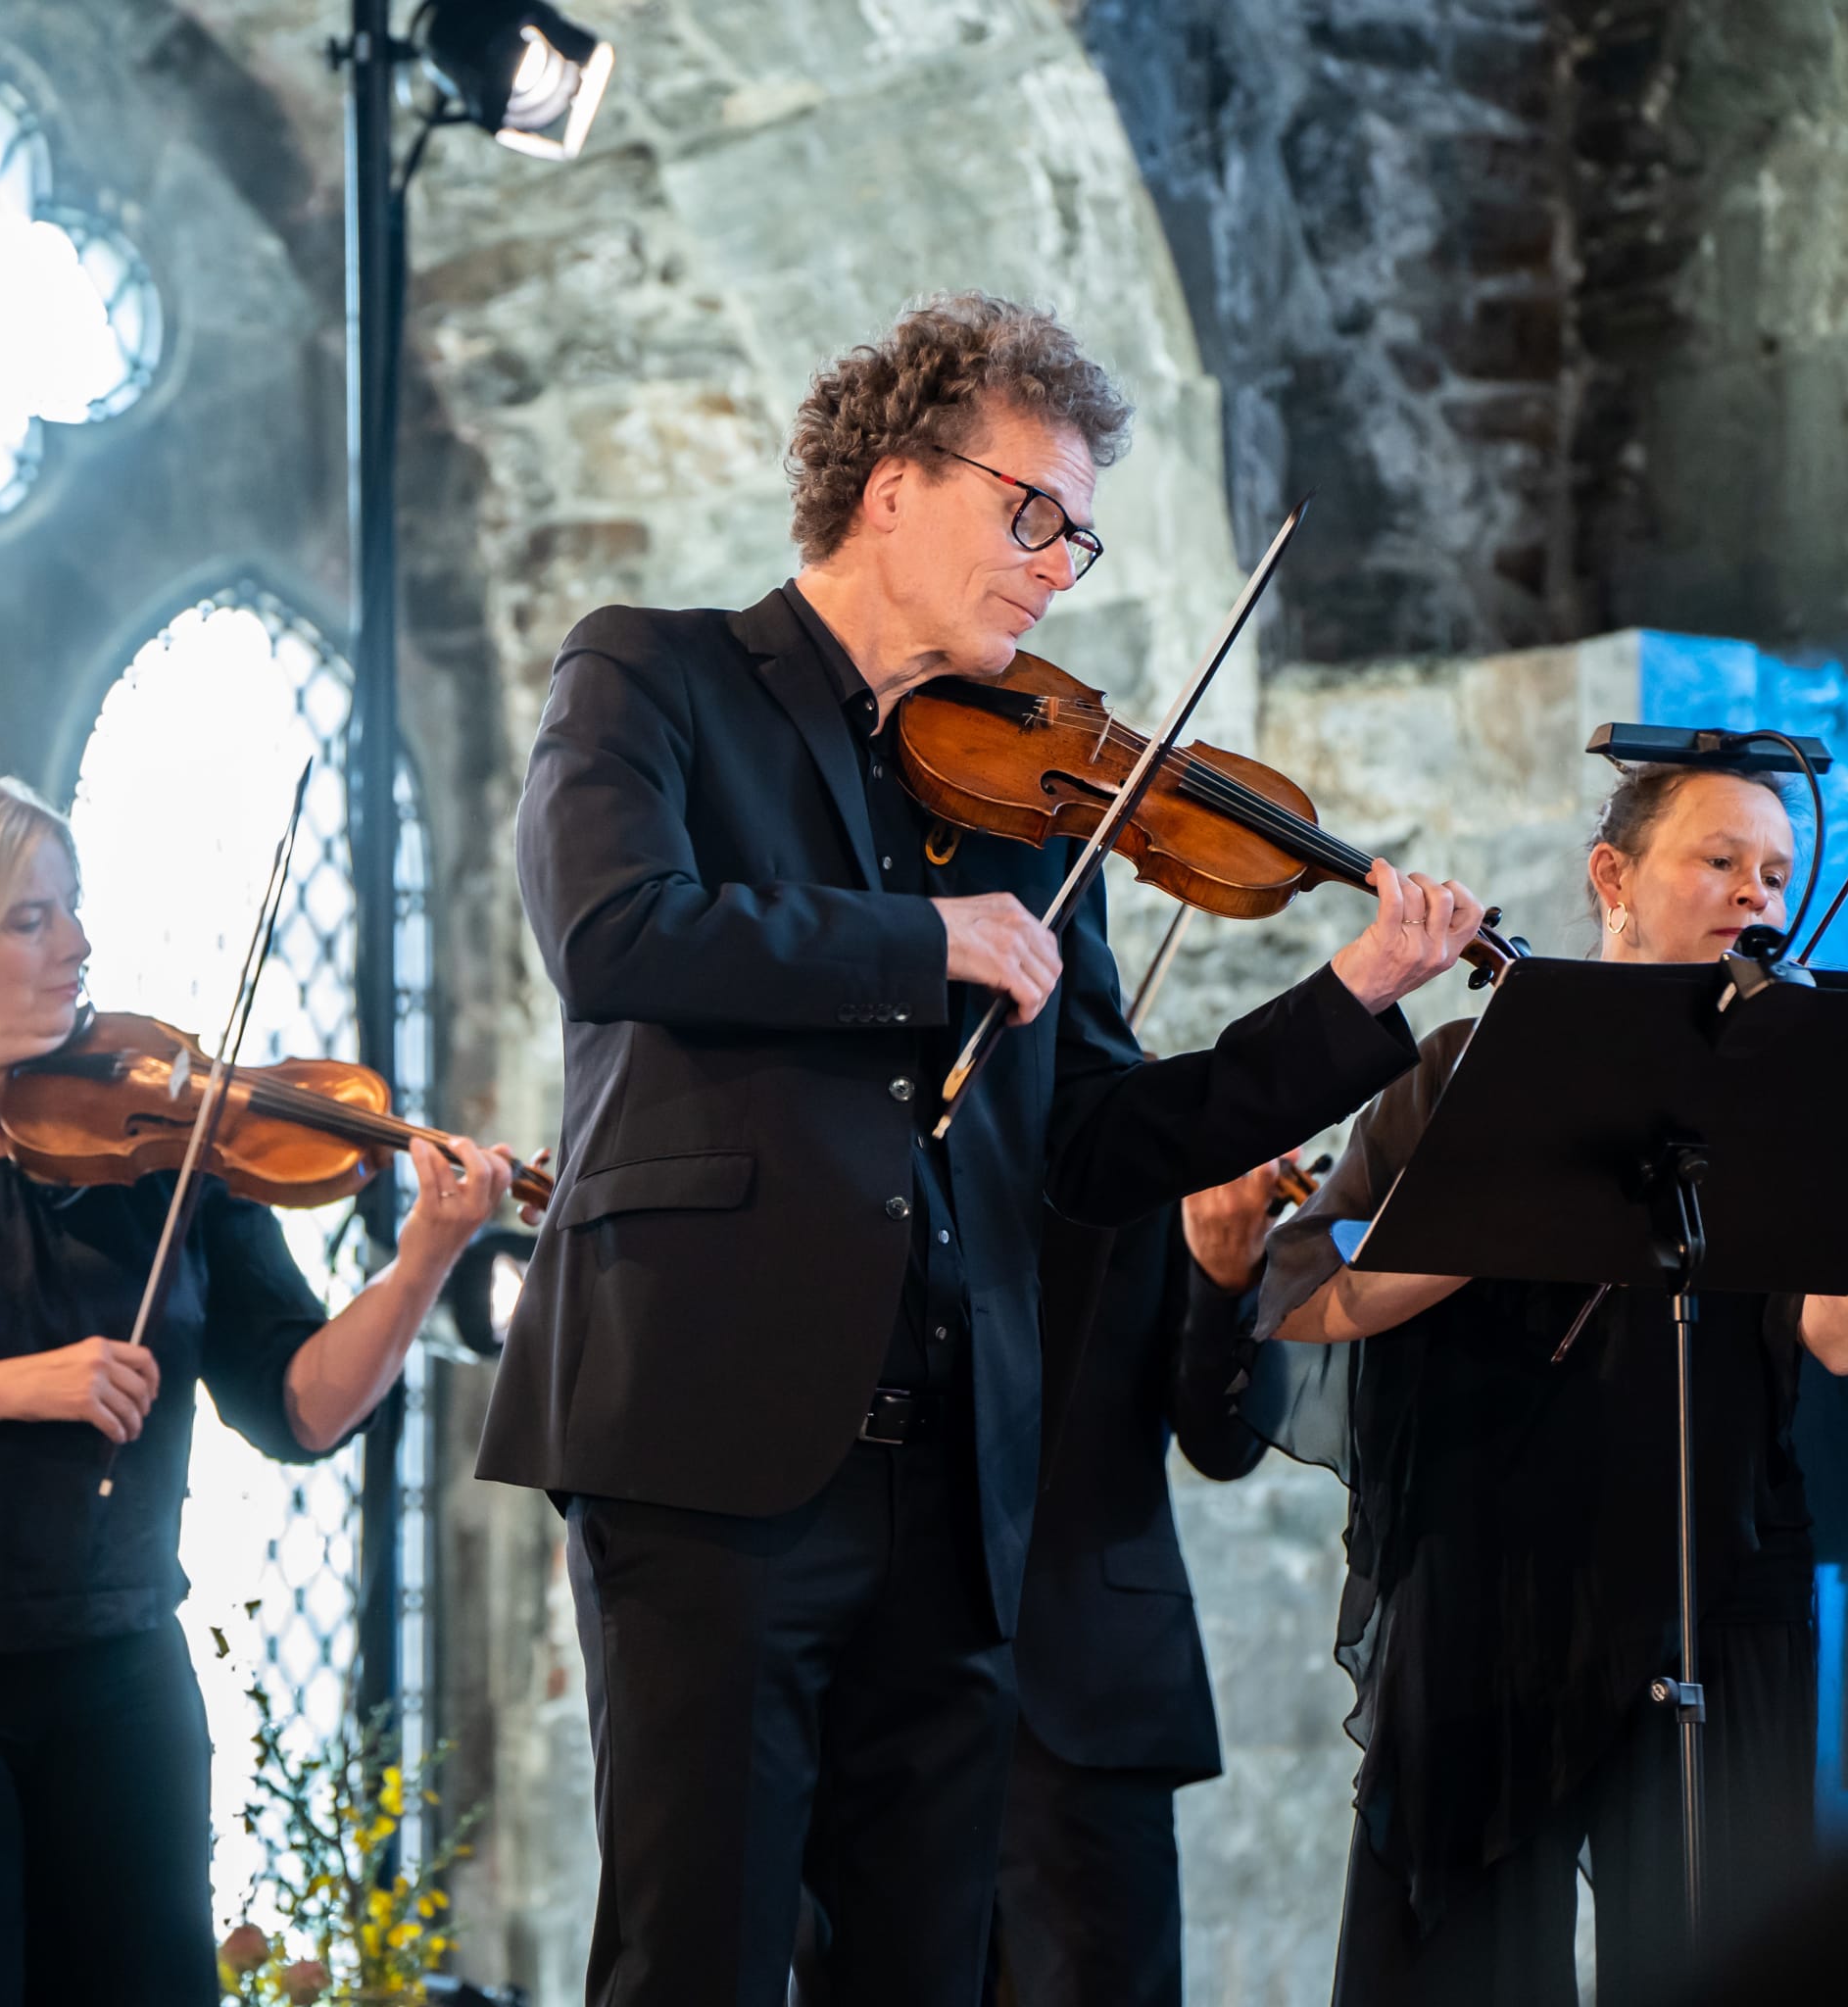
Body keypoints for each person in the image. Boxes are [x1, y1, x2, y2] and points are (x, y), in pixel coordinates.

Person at [480, 291, 1487, 2007]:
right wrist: (921, 943)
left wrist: (1351, 997)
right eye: (1033, 514)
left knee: (924, 1969)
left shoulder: (1032, 811)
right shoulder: (651, 670)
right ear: (892, 483)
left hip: (951, 1473)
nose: (1053, 565)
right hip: (707, 1442)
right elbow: (616, 931)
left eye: (1076, 538)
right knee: (696, 1954)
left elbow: (1101, 1133)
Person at [0, 768, 516, 2007]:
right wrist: (12, 1385)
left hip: (116, 1678)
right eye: (32, 918)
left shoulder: (167, 1155)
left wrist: (424, 1259)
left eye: (72, 906)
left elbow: (299, 1406)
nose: (79, 942)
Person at [1246, 759, 1848, 2007]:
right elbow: (1309, 1293)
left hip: (1721, 1574)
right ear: (1613, 876)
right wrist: (1521, 1186)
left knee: (1716, 1956)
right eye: (1721, 861)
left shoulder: (1781, 1098)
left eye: (1779, 873)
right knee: (1471, 1968)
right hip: (1501, 1588)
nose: (1758, 894)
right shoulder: (1472, 1062)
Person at [988, 1157, 1297, 2007]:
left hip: (1087, 1682)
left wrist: (1227, 1274)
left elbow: (1224, 1439)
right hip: (884, 1693)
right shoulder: (885, 1111)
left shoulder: (1155, 1133)